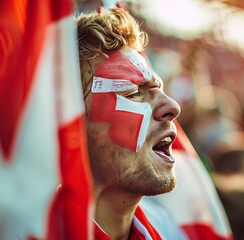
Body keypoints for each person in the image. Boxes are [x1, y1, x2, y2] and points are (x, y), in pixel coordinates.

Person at [76, 7, 181, 239]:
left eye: (159, 89)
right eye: (133, 92)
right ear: (73, 125)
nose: (172, 107)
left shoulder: (170, 229)